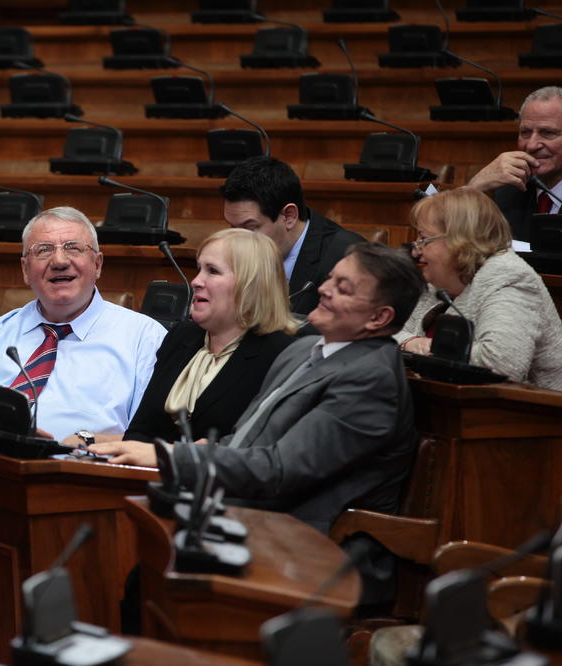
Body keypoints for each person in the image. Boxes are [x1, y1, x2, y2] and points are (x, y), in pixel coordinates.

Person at [91, 243, 424, 605]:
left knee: (148, 573)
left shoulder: (369, 381)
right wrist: (193, 453)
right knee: (131, 552)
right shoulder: (305, 349)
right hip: (259, 523)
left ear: (378, 318)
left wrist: (169, 455)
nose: (324, 288)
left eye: (343, 288)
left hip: (316, 552)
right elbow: (248, 438)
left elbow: (279, 470)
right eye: (330, 279)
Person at [0, 206, 168, 444]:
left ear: (98, 264)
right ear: (25, 270)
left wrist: (89, 440)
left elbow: (155, 439)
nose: (60, 261)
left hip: (76, 479)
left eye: (73, 247)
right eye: (43, 250)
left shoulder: (144, 339)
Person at [123, 228, 297, 445]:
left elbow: (260, 448)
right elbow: (139, 431)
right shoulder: (182, 336)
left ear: (251, 283)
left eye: (212, 271)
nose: (196, 281)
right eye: (199, 270)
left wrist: (166, 457)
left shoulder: (281, 354)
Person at [397, 187, 562, 390]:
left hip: (530, 415)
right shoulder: (438, 280)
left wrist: (428, 348)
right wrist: (411, 342)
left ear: (459, 240)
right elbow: (386, 331)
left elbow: (501, 366)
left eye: (424, 239)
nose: (416, 250)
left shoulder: (510, 278)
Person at [220, 156, 365, 315]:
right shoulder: (231, 250)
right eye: (232, 227)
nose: (236, 240)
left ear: (289, 216)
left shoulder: (346, 256)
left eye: (250, 228)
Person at [466, 86, 562, 242]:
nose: (531, 145)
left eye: (548, 133)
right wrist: (473, 189)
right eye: (525, 132)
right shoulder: (506, 192)